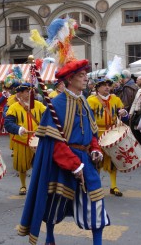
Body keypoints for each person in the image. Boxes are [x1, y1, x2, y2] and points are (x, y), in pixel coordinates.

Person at [18, 59, 110, 245]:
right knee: (53, 205)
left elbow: (92, 132)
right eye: (82, 76)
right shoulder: (57, 104)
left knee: (96, 204)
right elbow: (54, 143)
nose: (86, 79)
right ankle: (50, 237)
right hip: (63, 163)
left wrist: (95, 149)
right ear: (70, 79)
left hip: (86, 161)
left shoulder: (84, 100)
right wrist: (74, 165)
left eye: (85, 75)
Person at [87, 78, 128, 197]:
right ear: (97, 88)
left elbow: (124, 115)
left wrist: (123, 113)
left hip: (112, 132)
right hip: (97, 133)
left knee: (113, 159)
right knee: (97, 159)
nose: (107, 87)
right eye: (104, 85)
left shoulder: (115, 99)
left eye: (108, 85)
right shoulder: (91, 100)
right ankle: (97, 185)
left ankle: (113, 186)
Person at [4, 83, 46, 196]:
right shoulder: (14, 107)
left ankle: (37, 186)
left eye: (31, 91)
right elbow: (8, 124)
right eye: (27, 91)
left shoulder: (39, 105)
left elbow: (48, 116)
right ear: (20, 93)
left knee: (39, 165)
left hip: (37, 141)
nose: (30, 93)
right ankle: (23, 185)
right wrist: (18, 129)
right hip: (21, 141)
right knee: (22, 166)